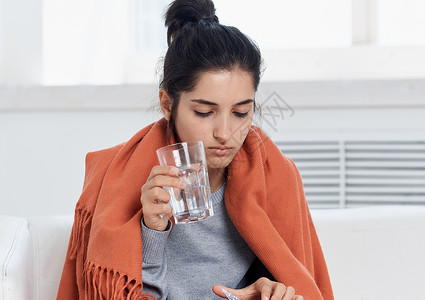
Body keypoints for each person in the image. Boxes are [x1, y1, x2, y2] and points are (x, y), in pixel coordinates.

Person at [57, 0, 334, 299]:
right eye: (204, 112)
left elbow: (295, 282)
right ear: (167, 105)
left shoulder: (277, 178)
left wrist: (272, 290)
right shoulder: (122, 179)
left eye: (241, 112)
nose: (225, 133)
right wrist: (152, 231)